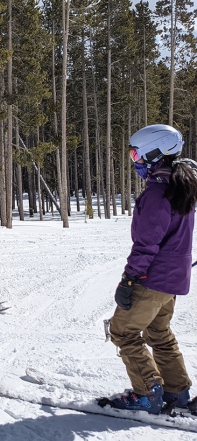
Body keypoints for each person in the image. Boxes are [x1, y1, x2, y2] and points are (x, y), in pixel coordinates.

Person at [108, 124, 197, 414]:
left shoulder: (158, 193)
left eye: (136, 154)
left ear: (154, 152)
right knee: (159, 332)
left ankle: (148, 393)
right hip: (172, 279)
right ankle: (177, 390)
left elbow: (147, 244)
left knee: (123, 332)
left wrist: (130, 279)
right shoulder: (179, 186)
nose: (134, 160)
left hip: (152, 278)